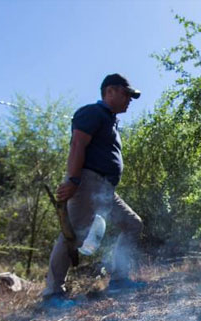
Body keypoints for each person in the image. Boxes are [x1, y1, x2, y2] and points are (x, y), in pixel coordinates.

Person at [43, 73, 145, 304]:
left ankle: (119, 280)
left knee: (132, 224)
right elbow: (78, 144)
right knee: (74, 234)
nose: (129, 99)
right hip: (88, 183)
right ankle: (52, 293)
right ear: (109, 91)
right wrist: (72, 180)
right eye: (126, 93)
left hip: (106, 188)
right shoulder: (92, 112)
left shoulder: (109, 120)